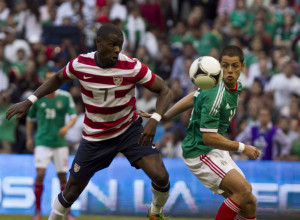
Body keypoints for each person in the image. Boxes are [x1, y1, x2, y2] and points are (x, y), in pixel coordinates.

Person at [6, 23, 173, 220]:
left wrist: (154, 119)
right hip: (95, 137)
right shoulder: (80, 64)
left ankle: (155, 213)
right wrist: (30, 100)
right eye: (113, 44)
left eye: (120, 45)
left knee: (161, 177)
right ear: (99, 43)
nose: (118, 49)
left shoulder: (131, 66)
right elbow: (58, 78)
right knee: (70, 193)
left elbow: (165, 90)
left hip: (129, 130)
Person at [140, 45, 260, 220]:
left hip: (215, 149)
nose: (229, 71)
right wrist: (242, 147)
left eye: (235, 66)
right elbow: (208, 137)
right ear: (219, 65)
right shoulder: (215, 93)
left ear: (243, 67)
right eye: (225, 65)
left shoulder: (225, 84)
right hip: (200, 153)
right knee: (243, 191)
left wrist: (167, 115)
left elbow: (194, 95)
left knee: (249, 202)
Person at [26, 71, 77, 220]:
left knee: (63, 177)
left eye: (52, 79)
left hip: (60, 143)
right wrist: (29, 138)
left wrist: (66, 128)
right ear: (43, 81)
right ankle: (37, 210)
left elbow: (73, 116)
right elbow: (30, 119)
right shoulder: (38, 97)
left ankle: (67, 212)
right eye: (48, 79)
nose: (51, 82)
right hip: (42, 141)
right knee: (40, 174)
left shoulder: (65, 96)